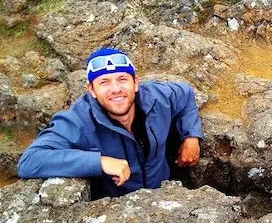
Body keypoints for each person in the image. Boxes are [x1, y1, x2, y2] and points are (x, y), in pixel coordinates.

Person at [17, 47, 204, 199]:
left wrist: (191, 136)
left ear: (136, 83)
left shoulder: (157, 98)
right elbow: (29, 161)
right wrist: (99, 162)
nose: (115, 89)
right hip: (117, 215)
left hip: (166, 197)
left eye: (122, 79)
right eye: (104, 82)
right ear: (91, 89)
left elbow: (186, 94)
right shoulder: (78, 121)